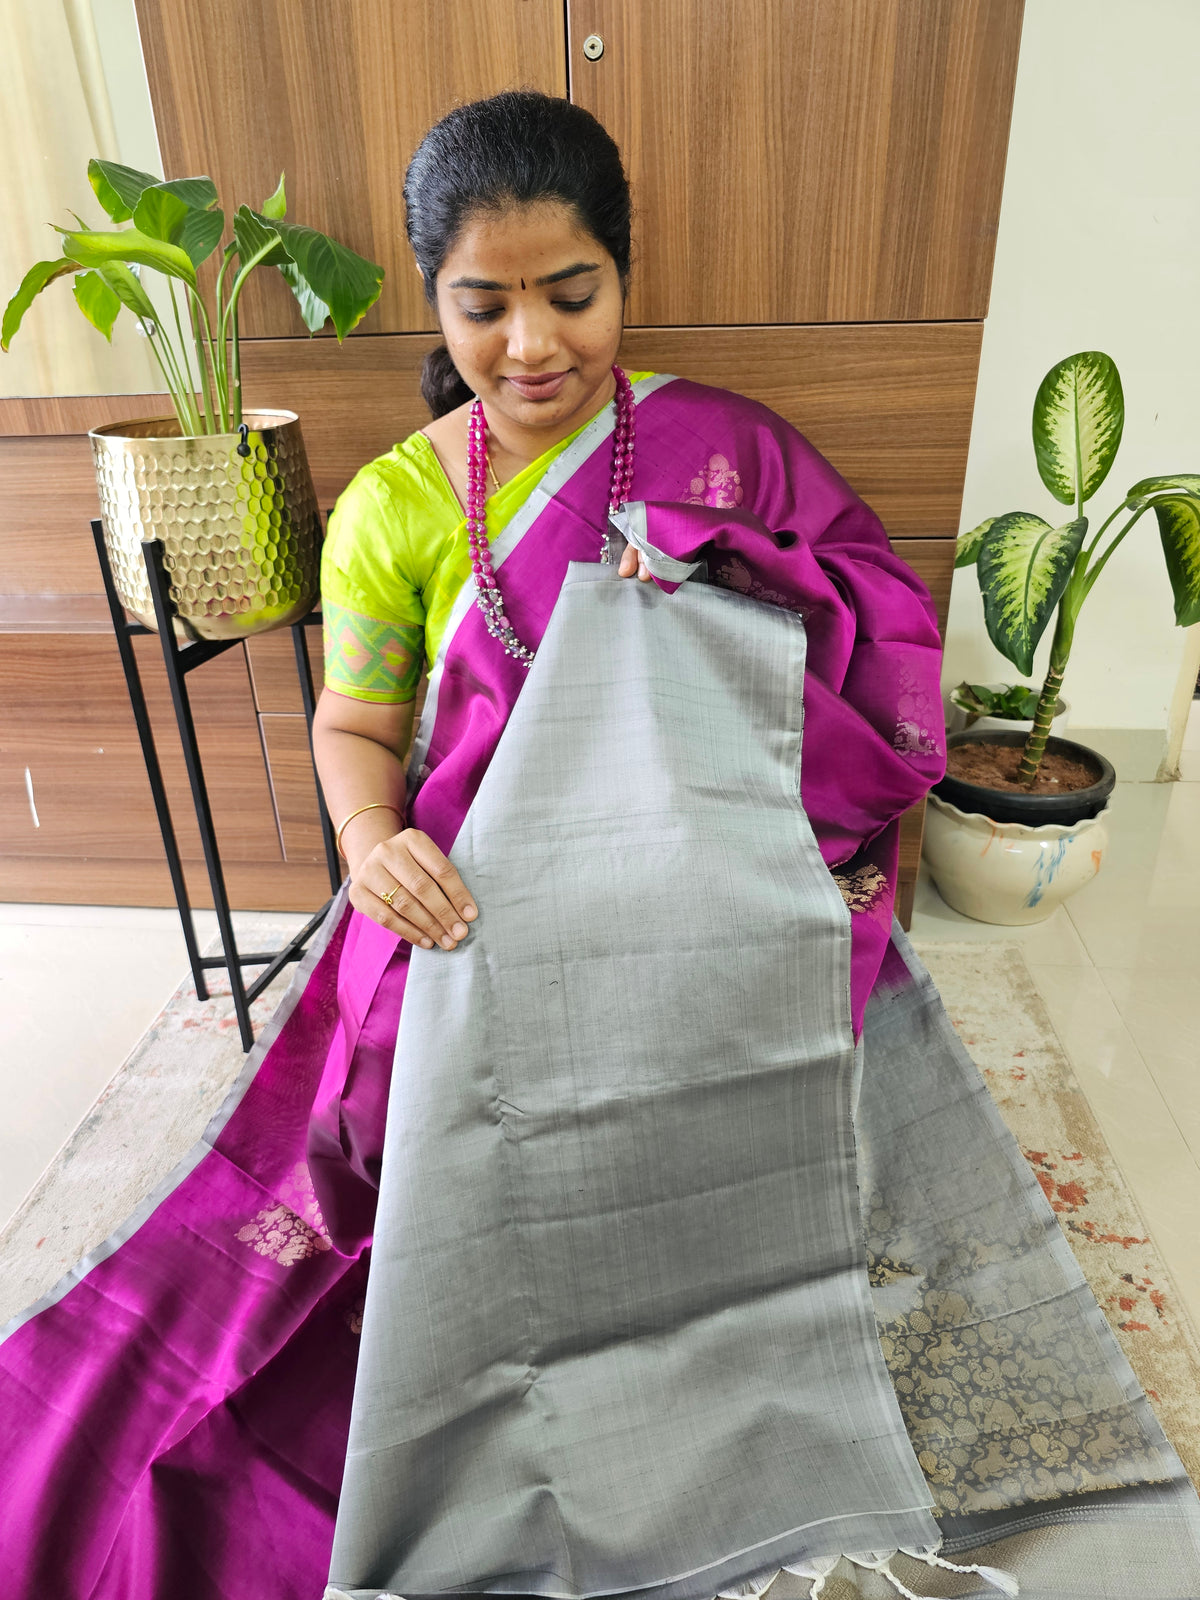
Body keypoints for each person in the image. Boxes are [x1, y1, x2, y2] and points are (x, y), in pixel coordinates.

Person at [2, 90, 1199, 1600]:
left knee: (744, 1143)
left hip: (705, 895)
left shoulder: (732, 457)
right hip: (476, 916)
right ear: (436, 300)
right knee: (390, 1173)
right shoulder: (392, 507)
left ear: (622, 279)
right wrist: (373, 840)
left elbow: (870, 665)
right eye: (483, 305)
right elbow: (358, 732)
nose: (531, 346)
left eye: (572, 296)